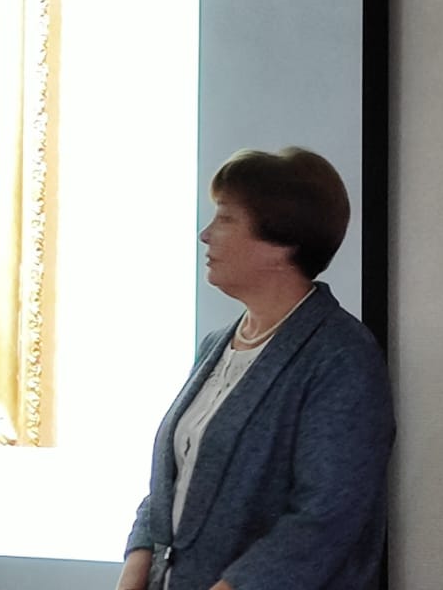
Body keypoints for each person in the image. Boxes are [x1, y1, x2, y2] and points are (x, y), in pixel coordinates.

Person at [118, 147, 394, 590]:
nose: (206, 234)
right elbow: (170, 485)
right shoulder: (215, 345)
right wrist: (135, 570)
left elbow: (325, 519)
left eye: (226, 218)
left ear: (281, 242)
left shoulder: (342, 357)